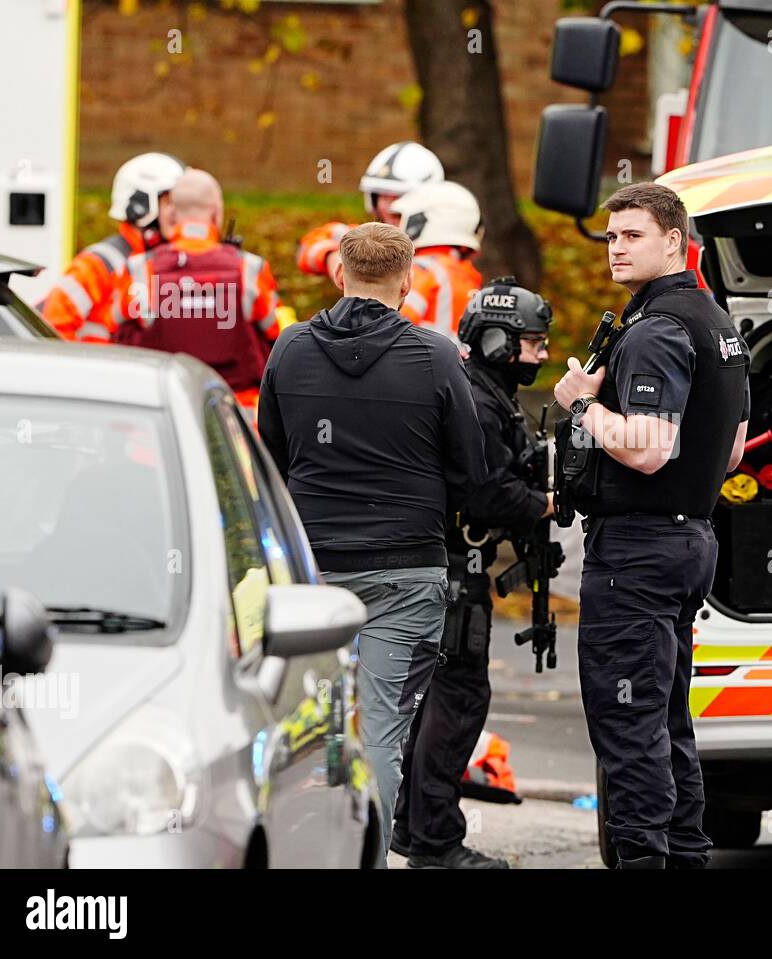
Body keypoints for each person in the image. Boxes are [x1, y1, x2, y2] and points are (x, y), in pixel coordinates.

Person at [256, 222, 487, 864]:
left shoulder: (290, 349)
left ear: (338, 275)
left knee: (304, 730)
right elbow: (471, 472)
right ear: (407, 281)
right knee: (379, 730)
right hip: (405, 569)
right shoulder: (437, 357)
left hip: (311, 575)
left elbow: (270, 460)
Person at [553, 183, 750, 869]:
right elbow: (729, 448)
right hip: (689, 538)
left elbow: (645, 446)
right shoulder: (719, 325)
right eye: (611, 237)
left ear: (675, 239)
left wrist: (583, 407)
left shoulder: (659, 328)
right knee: (667, 720)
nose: (616, 248)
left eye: (632, 235)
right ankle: (686, 856)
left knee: (629, 725)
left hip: (638, 550)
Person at [391, 277, 555, 870]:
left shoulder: (478, 389)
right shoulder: (481, 402)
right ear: (496, 341)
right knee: (457, 701)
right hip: (453, 576)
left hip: (438, 568)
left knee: (433, 700)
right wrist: (541, 503)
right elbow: (487, 492)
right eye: (532, 343)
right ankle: (435, 842)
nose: (540, 355)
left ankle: (414, 830)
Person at [112, 169, 280, 408]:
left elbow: (115, 335)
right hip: (237, 415)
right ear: (217, 212)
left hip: (163, 410)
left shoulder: (139, 270)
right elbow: (277, 335)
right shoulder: (250, 269)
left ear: (170, 213)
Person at [42, 152, 184, 342]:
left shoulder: (172, 261)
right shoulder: (98, 265)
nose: (179, 211)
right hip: (99, 368)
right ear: (142, 206)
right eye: (170, 202)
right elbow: (53, 329)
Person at [296, 141, 444, 290]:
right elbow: (309, 247)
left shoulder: (444, 251)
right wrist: (333, 256)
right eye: (383, 197)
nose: (389, 207)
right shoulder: (368, 239)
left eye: (398, 197)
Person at [389, 181, 484, 341]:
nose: (395, 226)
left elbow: (385, 330)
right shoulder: (467, 279)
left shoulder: (422, 271)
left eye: (400, 218)